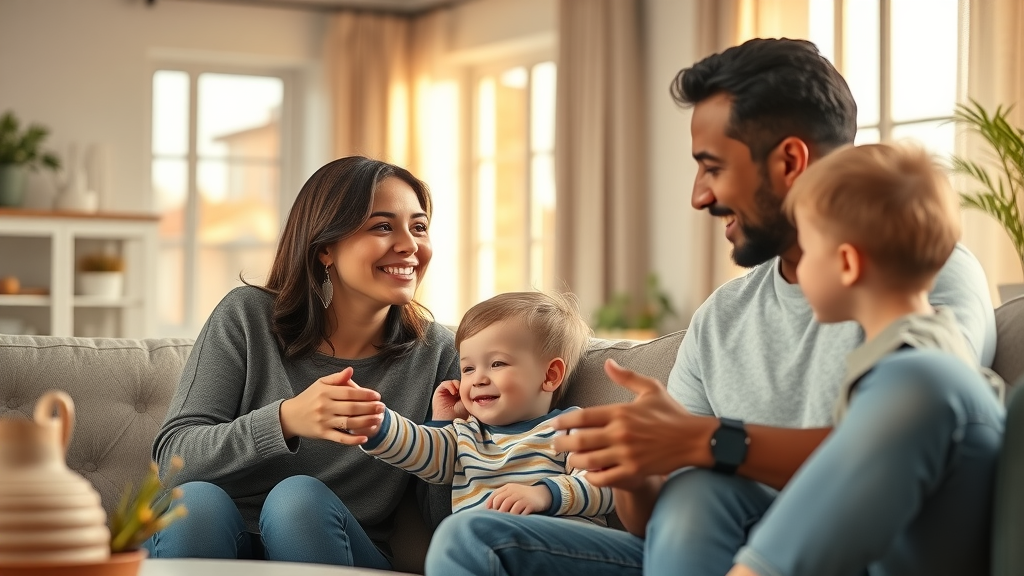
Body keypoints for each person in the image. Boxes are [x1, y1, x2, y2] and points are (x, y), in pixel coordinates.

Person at [423, 38, 997, 576]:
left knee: (705, 487)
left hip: (838, 549)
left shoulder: (919, 274)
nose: (699, 195)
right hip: (699, 545)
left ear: (790, 162)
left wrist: (707, 441)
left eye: (712, 166)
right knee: (477, 534)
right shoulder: (725, 314)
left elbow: (910, 432)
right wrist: (634, 467)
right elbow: (655, 519)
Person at [147, 156, 460, 569]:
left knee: (297, 501)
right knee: (196, 501)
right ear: (325, 248)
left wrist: (446, 434)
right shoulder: (247, 317)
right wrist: (285, 420)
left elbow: (445, 521)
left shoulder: (440, 353)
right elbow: (174, 461)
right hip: (215, 535)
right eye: (383, 226)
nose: (409, 244)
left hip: (332, 543)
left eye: (418, 226)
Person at [723, 142, 1004, 575]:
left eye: (806, 246)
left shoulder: (914, 382)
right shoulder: (924, 365)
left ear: (848, 264)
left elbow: (770, 569)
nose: (795, 265)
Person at [360, 291, 614, 523]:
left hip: (555, 547)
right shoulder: (464, 437)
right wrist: (375, 422)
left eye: (497, 364)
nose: (478, 379)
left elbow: (606, 487)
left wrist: (543, 494)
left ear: (550, 375)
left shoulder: (571, 429)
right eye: (468, 368)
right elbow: (420, 445)